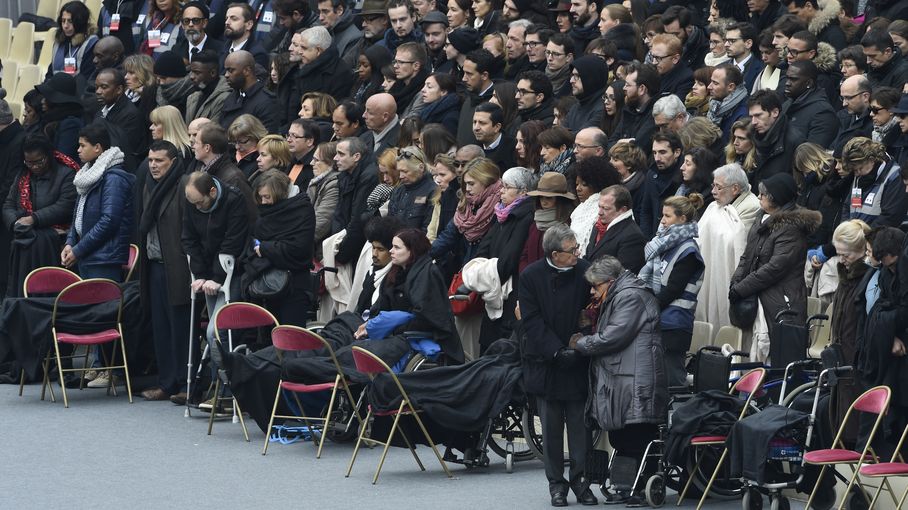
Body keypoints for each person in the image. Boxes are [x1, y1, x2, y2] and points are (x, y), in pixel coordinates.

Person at [570, 255, 667, 504]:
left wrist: (581, 344)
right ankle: (626, 485)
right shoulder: (620, 294)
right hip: (625, 374)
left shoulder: (631, 296)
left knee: (636, 433)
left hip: (636, 377)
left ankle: (641, 486)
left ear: (610, 281)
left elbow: (614, 336)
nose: (593, 291)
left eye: (596, 286)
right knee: (622, 433)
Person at [519, 224, 596, 507]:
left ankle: (581, 482)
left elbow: (592, 312)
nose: (577, 253)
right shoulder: (531, 277)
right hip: (546, 362)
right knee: (550, 430)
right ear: (554, 254)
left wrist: (580, 345)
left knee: (580, 429)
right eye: (572, 250)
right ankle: (557, 485)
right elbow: (532, 321)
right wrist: (555, 351)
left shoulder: (585, 271)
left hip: (577, 360)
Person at [63, 123, 135, 388]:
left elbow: (109, 221)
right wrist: (71, 242)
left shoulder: (113, 177)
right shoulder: (90, 172)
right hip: (88, 254)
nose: (78, 150)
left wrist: (79, 249)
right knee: (92, 312)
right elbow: (78, 215)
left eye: (82, 145)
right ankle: (97, 366)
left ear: (98, 148)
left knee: (105, 313)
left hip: (104, 256)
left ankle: (110, 369)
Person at [730, 173, 821, 361]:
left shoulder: (791, 228)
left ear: (776, 198)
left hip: (782, 302)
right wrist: (736, 282)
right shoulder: (761, 218)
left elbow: (775, 268)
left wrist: (741, 288)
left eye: (762, 195)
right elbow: (747, 256)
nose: (758, 197)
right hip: (757, 297)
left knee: (775, 358)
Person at [182, 171, 251, 383]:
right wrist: (201, 275)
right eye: (193, 203)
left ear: (212, 192)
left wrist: (217, 277)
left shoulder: (234, 199)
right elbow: (189, 238)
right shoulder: (193, 200)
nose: (197, 207)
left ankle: (229, 386)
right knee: (217, 334)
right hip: (208, 270)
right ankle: (217, 386)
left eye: (200, 202)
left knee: (216, 331)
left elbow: (233, 242)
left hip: (233, 271)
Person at [356, 228, 464, 363]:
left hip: (412, 337)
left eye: (396, 247)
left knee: (359, 355)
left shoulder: (427, 275)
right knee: (347, 327)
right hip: (393, 335)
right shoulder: (395, 273)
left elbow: (427, 318)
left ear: (412, 251)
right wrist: (371, 324)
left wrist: (391, 326)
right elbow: (380, 307)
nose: (391, 251)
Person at [136, 140, 191, 401]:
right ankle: (166, 382)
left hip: (177, 266)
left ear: (173, 162)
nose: (154, 165)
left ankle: (185, 383)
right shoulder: (148, 184)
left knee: (180, 327)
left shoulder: (183, 184)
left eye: (160, 161)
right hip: (153, 264)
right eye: (150, 160)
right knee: (160, 327)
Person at [639, 195, 705, 387]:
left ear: (682, 219)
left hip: (675, 324)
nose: (662, 221)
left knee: (671, 382)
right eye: (662, 216)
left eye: (667, 216)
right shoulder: (665, 245)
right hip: (661, 320)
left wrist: (646, 308)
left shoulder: (688, 250)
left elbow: (673, 290)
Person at [3, 136, 76, 297]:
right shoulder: (22, 175)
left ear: (48, 156)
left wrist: (33, 219)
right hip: (24, 241)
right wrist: (15, 223)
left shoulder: (66, 174)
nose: (34, 167)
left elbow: (65, 206)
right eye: (29, 162)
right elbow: (8, 204)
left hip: (52, 243)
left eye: (39, 161)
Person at [242, 170, 315, 327]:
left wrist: (265, 248)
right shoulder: (267, 212)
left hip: (294, 284)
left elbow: (299, 247)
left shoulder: (301, 209)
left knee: (291, 336)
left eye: (267, 197)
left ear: (280, 194)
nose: (264, 202)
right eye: (261, 197)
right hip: (266, 283)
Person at [695, 163, 762, 332]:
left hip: (731, 272)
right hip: (711, 266)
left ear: (735, 189)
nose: (713, 192)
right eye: (713, 186)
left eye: (718, 187)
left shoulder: (751, 206)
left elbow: (733, 240)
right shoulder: (716, 206)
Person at [474, 167, 536, 351]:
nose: (501, 191)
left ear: (523, 191)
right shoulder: (502, 213)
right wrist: (478, 267)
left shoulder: (525, 217)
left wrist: (485, 275)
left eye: (507, 187)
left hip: (508, 289)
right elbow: (484, 246)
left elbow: (509, 258)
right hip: (492, 283)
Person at [431, 158, 502, 277]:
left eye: (471, 184)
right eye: (466, 184)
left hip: (487, 273)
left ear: (486, 181)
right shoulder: (466, 203)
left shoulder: (501, 207)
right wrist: (420, 255)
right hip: (464, 267)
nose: (467, 189)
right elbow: (448, 235)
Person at [332, 137, 379, 265]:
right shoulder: (346, 174)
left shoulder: (369, 177)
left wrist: (341, 256)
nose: (335, 158)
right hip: (346, 241)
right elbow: (340, 213)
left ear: (356, 156)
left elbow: (358, 219)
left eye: (341, 154)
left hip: (360, 247)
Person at [748, 89, 804, 186]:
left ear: (775, 112)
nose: (753, 122)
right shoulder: (753, 136)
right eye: (751, 116)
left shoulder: (795, 141)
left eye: (758, 115)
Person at [585, 185, 645, 273]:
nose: (600, 212)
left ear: (622, 210)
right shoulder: (598, 225)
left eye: (606, 208)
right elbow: (589, 256)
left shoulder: (632, 236)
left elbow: (624, 275)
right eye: (599, 207)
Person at [522, 172, 576, 269]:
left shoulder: (568, 224)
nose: (543, 201)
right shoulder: (535, 223)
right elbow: (525, 254)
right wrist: (527, 275)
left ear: (559, 199)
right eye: (541, 197)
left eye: (549, 198)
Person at [221, 50, 280, 135]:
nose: (226, 75)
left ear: (247, 71)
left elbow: (267, 139)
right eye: (226, 70)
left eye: (231, 70)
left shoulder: (267, 101)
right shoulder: (232, 97)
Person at [638, 132, 683, 240]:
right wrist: (647, 240)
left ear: (677, 152)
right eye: (654, 153)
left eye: (662, 152)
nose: (657, 158)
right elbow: (646, 210)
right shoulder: (651, 174)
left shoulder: (685, 176)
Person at [571, 156, 620, 254]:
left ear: (598, 184)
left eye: (584, 184)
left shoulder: (604, 212)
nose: (578, 188)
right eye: (577, 184)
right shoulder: (578, 210)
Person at [296, 26, 356, 102]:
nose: (299, 52)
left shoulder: (341, 74)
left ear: (318, 50)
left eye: (304, 48)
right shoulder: (308, 66)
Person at [35, 73, 84, 161]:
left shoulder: (70, 124)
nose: (42, 101)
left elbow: (62, 158)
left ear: (57, 102)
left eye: (47, 98)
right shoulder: (48, 118)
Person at [388, 146, 436, 230]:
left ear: (421, 168)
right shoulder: (398, 190)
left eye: (405, 171)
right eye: (399, 171)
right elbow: (389, 220)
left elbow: (427, 229)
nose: (401, 176)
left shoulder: (433, 192)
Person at [48, 1, 99, 80]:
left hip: (76, 89)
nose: (65, 26)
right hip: (55, 87)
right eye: (63, 21)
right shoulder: (59, 42)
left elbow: (86, 77)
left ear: (80, 22)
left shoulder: (91, 43)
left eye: (70, 21)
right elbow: (50, 73)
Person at [307, 142, 340, 258]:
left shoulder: (334, 184)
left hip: (321, 254)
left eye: (316, 160)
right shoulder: (318, 182)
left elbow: (321, 222)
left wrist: (296, 240)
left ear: (330, 163)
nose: (311, 163)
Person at [184, 49, 232, 126]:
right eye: (191, 71)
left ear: (213, 73)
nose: (191, 77)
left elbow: (213, 132)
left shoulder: (225, 98)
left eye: (197, 72)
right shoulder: (193, 96)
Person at [707, 65, 750, 143]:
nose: (709, 87)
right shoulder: (715, 105)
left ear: (730, 87)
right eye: (711, 81)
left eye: (715, 83)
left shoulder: (743, 115)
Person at [427, 154, 459, 241]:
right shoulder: (439, 196)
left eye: (442, 175)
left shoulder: (460, 198)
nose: (437, 179)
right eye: (436, 175)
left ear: (456, 174)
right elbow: (431, 231)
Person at [678, 147, 718, 215]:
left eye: (688, 164)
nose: (682, 168)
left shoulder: (710, 196)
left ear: (700, 168)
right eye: (683, 162)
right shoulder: (684, 188)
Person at [227, 114, 268, 179]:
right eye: (234, 142)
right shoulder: (230, 154)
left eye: (243, 142)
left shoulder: (262, 162)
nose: (237, 147)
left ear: (256, 137)